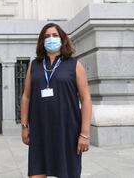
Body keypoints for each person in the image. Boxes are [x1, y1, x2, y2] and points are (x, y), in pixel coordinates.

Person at [20, 23, 92, 178]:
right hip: (40, 129)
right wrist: (25, 125)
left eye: (54, 35)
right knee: (37, 173)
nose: (50, 39)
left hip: (67, 130)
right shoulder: (34, 65)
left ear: (62, 39)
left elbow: (86, 99)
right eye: (46, 36)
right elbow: (26, 96)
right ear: (41, 41)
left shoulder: (74, 65)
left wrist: (84, 133)